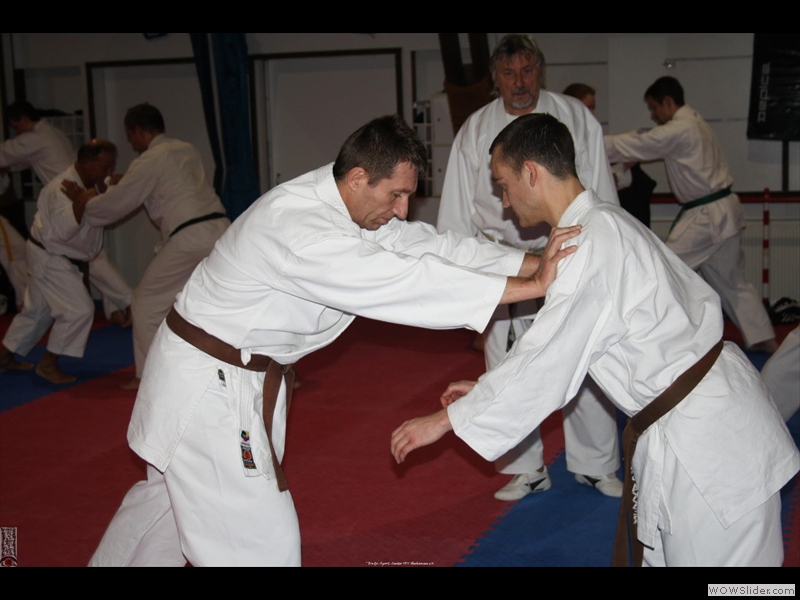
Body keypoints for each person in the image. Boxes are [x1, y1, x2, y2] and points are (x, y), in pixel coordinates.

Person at [87, 114, 580, 567]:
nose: (402, 210)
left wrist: (533, 263)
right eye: (397, 195)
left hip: (212, 376)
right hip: (208, 392)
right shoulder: (304, 230)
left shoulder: (344, 202)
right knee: (260, 545)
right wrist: (530, 287)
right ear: (360, 177)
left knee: (163, 518)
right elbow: (406, 284)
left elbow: (429, 246)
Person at [392, 113, 799, 567]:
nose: (503, 202)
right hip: (696, 424)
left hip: (708, 444)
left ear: (531, 173)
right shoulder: (604, 222)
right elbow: (570, 342)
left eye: (503, 185)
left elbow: (549, 357)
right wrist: (487, 389)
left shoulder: (590, 240)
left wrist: (447, 420)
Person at [437, 34, 622, 501]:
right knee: (505, 363)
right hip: (503, 258)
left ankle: (596, 464)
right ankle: (525, 469)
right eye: (508, 73)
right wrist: (460, 278)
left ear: (541, 71)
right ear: (494, 79)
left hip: (569, 248)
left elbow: (600, 189)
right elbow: (456, 210)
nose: (519, 82)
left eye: (527, 71)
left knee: (584, 356)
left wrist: (604, 245)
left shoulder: (574, 116)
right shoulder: (476, 129)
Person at [62, 104, 230, 390]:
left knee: (145, 302)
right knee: (224, 302)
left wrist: (84, 202)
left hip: (189, 237)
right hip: (221, 230)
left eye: (130, 136)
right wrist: (125, 184)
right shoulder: (186, 149)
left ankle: (149, 377)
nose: (132, 144)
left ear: (139, 130)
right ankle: (271, 367)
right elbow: (167, 188)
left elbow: (117, 203)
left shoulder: (150, 159)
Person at [604, 76, 777, 353]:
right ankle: (764, 339)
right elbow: (644, 142)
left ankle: (659, 341)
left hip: (706, 216)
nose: (653, 115)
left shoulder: (680, 129)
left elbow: (638, 142)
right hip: (723, 210)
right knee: (733, 282)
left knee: (664, 270)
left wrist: (592, 140)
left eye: (654, 108)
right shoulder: (695, 122)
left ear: (668, 101)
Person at [0, 140, 132, 383]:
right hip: (50, 256)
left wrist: (110, 190)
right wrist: (80, 203)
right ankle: (48, 364)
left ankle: (4, 357)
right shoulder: (60, 188)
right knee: (79, 310)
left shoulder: (93, 184)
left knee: (37, 312)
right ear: (85, 162)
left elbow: (107, 212)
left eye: (111, 167)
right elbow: (61, 232)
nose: (108, 172)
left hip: (61, 255)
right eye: (103, 167)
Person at [0, 101, 75, 186]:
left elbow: (4, 153)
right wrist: (10, 168)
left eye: (16, 127)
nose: (17, 132)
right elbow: (27, 159)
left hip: (66, 188)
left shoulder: (36, 137)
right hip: (74, 184)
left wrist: (9, 166)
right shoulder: (54, 131)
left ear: (24, 119)